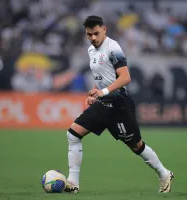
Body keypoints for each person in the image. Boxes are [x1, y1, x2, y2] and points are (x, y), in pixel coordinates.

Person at [64, 15, 174, 194]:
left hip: (119, 104)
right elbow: (101, 77)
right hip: (103, 103)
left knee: (136, 146)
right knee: (73, 134)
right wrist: (94, 92)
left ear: (104, 29)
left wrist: (104, 92)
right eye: (89, 34)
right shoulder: (91, 50)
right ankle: (73, 183)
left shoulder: (113, 48)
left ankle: (164, 173)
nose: (93, 38)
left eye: (96, 33)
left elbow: (125, 77)